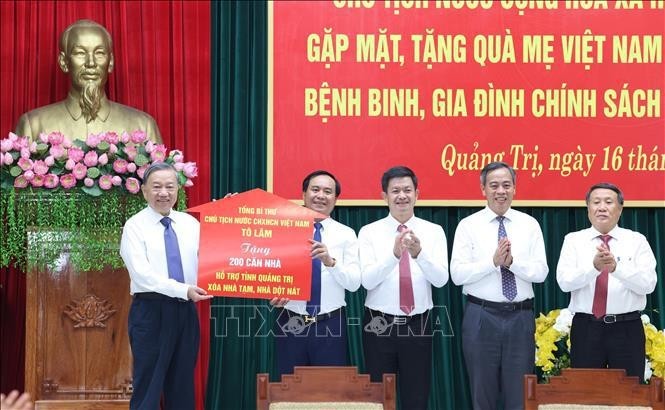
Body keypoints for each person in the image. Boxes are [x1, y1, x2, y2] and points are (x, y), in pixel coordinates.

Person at [450, 161, 548, 410]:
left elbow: (541, 273)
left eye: (506, 185)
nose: (500, 191)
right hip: (481, 316)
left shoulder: (530, 225)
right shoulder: (468, 226)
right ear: (483, 189)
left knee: (521, 395)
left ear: (515, 189)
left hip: (520, 317)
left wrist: (512, 263)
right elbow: (458, 274)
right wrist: (492, 262)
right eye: (494, 185)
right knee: (483, 394)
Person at [120, 162, 212, 410]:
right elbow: (142, 275)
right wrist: (184, 290)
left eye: (170, 186)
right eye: (157, 187)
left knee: (182, 386)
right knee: (148, 386)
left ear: (178, 190)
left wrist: (230, 216)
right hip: (151, 312)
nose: (164, 193)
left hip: (185, 312)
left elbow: (215, 255)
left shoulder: (190, 224)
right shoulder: (134, 226)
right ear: (144, 191)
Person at [358, 165, 449, 410]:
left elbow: (441, 280)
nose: (402, 196)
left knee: (416, 395)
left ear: (417, 194)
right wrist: (394, 255)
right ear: (384, 196)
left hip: (417, 323)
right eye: (395, 190)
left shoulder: (434, 231)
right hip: (378, 324)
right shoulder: (369, 232)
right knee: (378, 396)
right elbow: (366, 281)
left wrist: (419, 254)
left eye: (407, 190)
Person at [556, 182, 657, 379]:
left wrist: (616, 269)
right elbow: (564, 282)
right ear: (588, 209)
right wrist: (593, 268)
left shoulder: (637, 240)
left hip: (627, 328)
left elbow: (649, 283)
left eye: (609, 202)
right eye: (596, 202)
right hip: (586, 328)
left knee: (629, 394)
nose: (602, 207)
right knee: (587, 393)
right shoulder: (573, 240)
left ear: (620, 209)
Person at [270, 170, 361, 376]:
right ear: (303, 194)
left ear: (336, 199)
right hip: (290, 319)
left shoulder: (346, 234)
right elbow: (266, 266)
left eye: (328, 191)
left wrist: (330, 262)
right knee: (290, 392)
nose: (321, 195)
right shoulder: (282, 228)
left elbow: (354, 284)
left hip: (330, 324)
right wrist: (273, 292)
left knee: (328, 392)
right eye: (315, 189)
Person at [15, 19, 162, 143]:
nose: (91, 63)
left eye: (99, 53)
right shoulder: (33, 125)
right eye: (80, 53)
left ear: (110, 62)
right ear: (64, 62)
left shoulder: (143, 126)